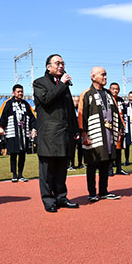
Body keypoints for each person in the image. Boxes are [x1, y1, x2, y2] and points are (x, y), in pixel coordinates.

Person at [33, 54, 79, 213]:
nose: (61, 66)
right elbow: (46, 99)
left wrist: (75, 130)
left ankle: (61, 197)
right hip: (49, 134)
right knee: (47, 170)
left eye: (62, 63)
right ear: (48, 66)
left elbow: (70, 111)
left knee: (61, 169)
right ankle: (48, 200)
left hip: (65, 134)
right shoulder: (40, 83)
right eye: (57, 63)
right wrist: (63, 84)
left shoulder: (64, 85)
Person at [79, 67, 122, 202]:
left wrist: (118, 130)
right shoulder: (87, 94)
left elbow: (117, 114)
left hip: (108, 134)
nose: (105, 77)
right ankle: (92, 192)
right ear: (93, 77)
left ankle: (103, 191)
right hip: (94, 134)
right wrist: (84, 134)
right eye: (102, 75)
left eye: (106, 75)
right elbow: (82, 115)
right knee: (92, 164)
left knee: (105, 163)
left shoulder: (109, 94)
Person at [0, 84, 37, 182]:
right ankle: (14, 174)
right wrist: (1, 127)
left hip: (24, 132)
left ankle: (21, 174)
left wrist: (34, 129)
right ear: (13, 93)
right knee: (13, 154)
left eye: (21, 91)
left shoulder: (26, 104)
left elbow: (32, 117)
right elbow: (2, 115)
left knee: (23, 154)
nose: (20, 93)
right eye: (18, 91)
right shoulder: (8, 103)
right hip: (12, 132)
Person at [108, 83, 128, 176]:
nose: (115, 90)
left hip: (120, 127)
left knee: (119, 148)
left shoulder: (121, 100)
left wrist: (123, 127)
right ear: (110, 89)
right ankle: (110, 168)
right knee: (110, 148)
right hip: (110, 127)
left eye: (117, 89)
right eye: (113, 89)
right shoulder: (107, 98)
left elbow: (124, 114)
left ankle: (119, 168)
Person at [69, 96, 84, 170]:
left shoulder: (81, 110)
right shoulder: (70, 110)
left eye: (77, 101)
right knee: (72, 148)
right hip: (72, 131)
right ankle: (71, 164)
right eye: (75, 101)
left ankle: (80, 163)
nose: (76, 102)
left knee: (80, 148)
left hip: (80, 130)